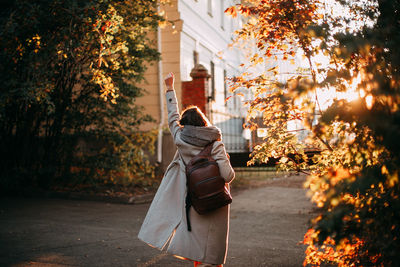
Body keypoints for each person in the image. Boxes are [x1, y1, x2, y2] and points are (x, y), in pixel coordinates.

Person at [138, 72, 235, 267]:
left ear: (185, 125)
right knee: (212, 251)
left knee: (197, 247)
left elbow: (172, 117)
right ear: (203, 122)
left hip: (193, 199)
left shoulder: (180, 139)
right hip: (216, 201)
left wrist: (169, 88)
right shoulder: (216, 143)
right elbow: (228, 175)